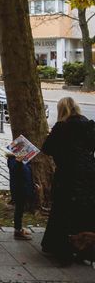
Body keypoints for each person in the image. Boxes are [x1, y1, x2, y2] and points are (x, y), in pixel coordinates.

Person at [41, 97, 95, 265]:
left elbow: (47, 148)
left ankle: (62, 250)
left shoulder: (62, 127)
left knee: (62, 212)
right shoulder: (88, 125)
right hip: (88, 175)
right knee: (84, 213)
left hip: (67, 175)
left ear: (61, 110)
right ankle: (85, 250)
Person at [5, 152, 34, 241]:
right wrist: (19, 162)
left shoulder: (25, 160)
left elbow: (28, 172)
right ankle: (17, 231)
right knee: (19, 209)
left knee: (21, 209)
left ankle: (19, 228)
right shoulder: (13, 160)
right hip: (19, 189)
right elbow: (15, 170)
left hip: (24, 187)